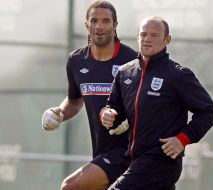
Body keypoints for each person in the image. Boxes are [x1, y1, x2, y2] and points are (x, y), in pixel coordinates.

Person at [101, 16, 213, 190]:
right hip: (133, 158)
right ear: (137, 37)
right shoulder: (125, 73)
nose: (147, 39)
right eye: (144, 34)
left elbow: (208, 111)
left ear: (167, 39)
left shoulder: (178, 75)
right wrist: (107, 114)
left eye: (154, 35)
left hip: (161, 161)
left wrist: (182, 139)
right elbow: (114, 110)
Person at [41, 1, 137, 190]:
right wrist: (59, 112)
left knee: (70, 187)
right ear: (87, 24)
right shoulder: (76, 60)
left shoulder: (132, 60)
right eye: (94, 20)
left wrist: (125, 119)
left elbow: (146, 102)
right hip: (101, 150)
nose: (99, 26)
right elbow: (75, 101)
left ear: (115, 25)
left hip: (128, 150)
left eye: (106, 21)